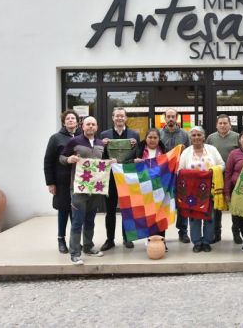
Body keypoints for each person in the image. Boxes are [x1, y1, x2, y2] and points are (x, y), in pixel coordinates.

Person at [60, 116, 111, 265]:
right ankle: (75, 253)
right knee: (77, 221)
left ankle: (88, 247)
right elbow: (61, 157)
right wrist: (68, 159)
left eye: (93, 124)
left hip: (95, 188)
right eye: (88, 124)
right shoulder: (74, 141)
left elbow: (103, 163)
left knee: (90, 220)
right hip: (78, 188)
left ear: (96, 127)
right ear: (83, 126)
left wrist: (110, 162)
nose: (90, 126)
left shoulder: (101, 144)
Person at [178, 126, 225, 252]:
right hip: (192, 192)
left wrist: (212, 171)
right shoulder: (186, 152)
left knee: (210, 217)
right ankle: (197, 242)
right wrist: (192, 174)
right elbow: (179, 170)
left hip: (210, 189)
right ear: (190, 138)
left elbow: (222, 165)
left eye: (199, 135)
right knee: (194, 217)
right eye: (193, 135)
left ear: (204, 137)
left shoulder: (212, 150)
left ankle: (207, 242)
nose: (196, 137)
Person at [99, 107, 140, 252]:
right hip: (110, 178)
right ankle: (110, 240)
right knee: (110, 210)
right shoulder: (105, 135)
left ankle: (127, 238)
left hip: (127, 177)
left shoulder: (134, 135)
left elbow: (137, 155)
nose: (119, 118)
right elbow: (100, 156)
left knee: (127, 210)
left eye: (122, 116)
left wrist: (136, 146)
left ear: (126, 118)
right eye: (117, 116)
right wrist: (101, 145)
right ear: (113, 118)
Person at [43, 110, 81, 253]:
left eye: (73, 118)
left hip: (78, 181)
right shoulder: (55, 138)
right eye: (68, 118)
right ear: (64, 122)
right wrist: (50, 183)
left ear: (77, 122)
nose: (71, 120)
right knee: (63, 211)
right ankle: (61, 240)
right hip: (62, 182)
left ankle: (74, 241)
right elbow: (48, 161)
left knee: (76, 211)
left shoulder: (81, 137)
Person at [128, 128, 168, 250]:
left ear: (159, 139)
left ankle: (162, 241)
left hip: (160, 187)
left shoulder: (164, 150)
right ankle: (150, 240)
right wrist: (134, 161)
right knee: (148, 216)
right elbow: (125, 162)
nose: (152, 140)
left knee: (161, 216)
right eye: (150, 137)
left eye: (155, 137)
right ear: (146, 138)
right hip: (143, 189)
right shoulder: (138, 149)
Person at [206, 114, 240, 244]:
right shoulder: (211, 138)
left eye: (225, 123)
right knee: (217, 205)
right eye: (220, 123)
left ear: (230, 125)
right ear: (216, 125)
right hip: (216, 176)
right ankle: (216, 234)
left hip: (233, 176)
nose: (222, 125)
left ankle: (236, 234)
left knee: (234, 205)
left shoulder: (237, 137)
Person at [160, 108, 191, 244]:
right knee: (163, 203)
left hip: (180, 175)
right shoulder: (159, 134)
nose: (171, 119)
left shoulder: (185, 135)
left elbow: (190, 152)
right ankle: (161, 232)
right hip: (164, 175)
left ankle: (183, 231)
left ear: (177, 118)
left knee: (183, 203)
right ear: (165, 118)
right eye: (168, 116)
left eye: (173, 116)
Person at [225, 129, 243, 251]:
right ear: (240, 140)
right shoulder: (234, 154)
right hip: (239, 191)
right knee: (242, 217)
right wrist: (227, 192)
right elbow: (228, 173)